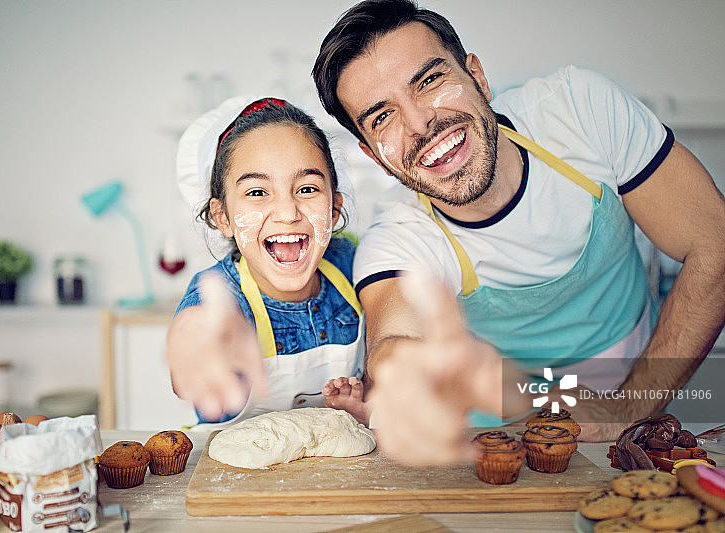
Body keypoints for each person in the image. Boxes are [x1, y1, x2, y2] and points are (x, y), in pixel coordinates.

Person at [312, 0, 725, 463]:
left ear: (478, 78)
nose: (419, 123)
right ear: (373, 156)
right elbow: (394, 344)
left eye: (429, 81)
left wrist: (627, 408)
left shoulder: (579, 112)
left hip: (653, 402)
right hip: (508, 440)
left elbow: (715, 243)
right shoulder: (401, 237)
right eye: (382, 117)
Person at [167, 96, 365, 427]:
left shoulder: (353, 266)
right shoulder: (218, 294)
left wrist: (364, 399)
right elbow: (194, 348)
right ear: (223, 217)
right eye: (257, 192)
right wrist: (199, 347)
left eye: (307, 188)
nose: (288, 214)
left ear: (333, 209)